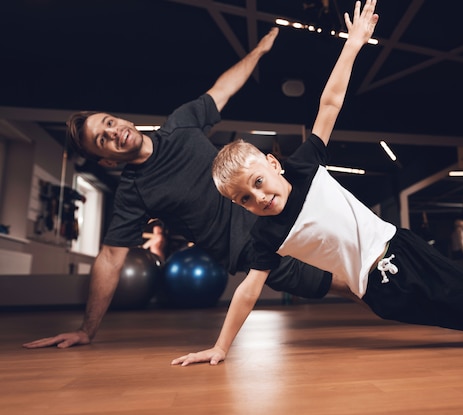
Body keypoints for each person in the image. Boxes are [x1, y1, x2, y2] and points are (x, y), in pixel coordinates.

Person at [172, 0, 463, 367]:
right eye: (244, 199)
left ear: (273, 164)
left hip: (402, 246)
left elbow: (330, 101)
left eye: (258, 183)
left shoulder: (304, 165)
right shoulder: (266, 237)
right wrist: (220, 346)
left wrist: (353, 44)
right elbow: (248, 292)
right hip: (379, 290)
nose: (259, 198)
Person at [23, 27, 335, 350]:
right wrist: (87, 330)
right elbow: (110, 259)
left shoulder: (180, 124)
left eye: (109, 122)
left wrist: (258, 52)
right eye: (103, 140)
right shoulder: (133, 192)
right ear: (107, 162)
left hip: (280, 210)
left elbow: (223, 89)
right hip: (251, 250)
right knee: (338, 284)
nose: (114, 132)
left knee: (351, 262)